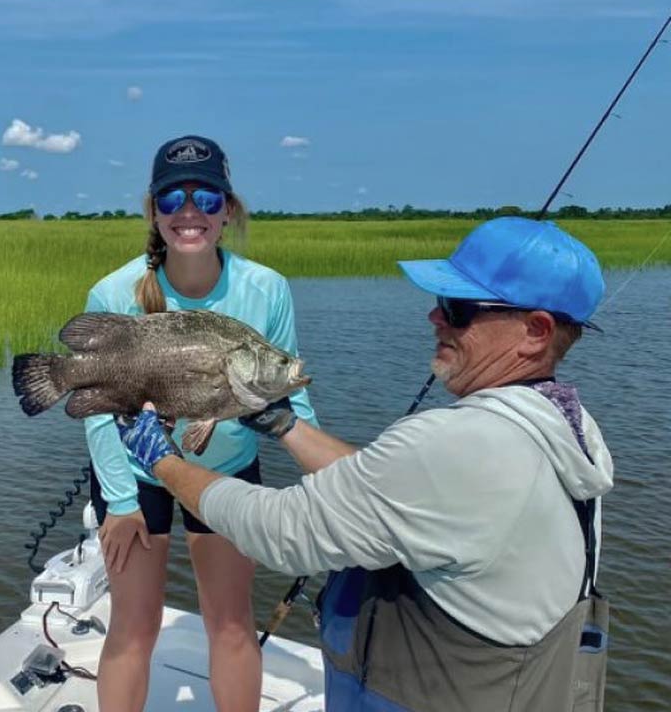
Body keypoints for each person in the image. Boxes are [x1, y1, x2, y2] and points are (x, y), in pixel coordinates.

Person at [117, 216, 614, 711]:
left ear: (535, 330)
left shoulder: (461, 444)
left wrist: (163, 462)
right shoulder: (568, 430)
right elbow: (382, 485)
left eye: (457, 308)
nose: (434, 318)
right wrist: (285, 425)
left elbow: (280, 531)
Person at [84, 134, 319, 712]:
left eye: (207, 198)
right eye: (173, 199)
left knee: (233, 624)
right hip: (137, 478)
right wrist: (119, 503)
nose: (190, 213)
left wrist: (324, 485)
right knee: (133, 629)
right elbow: (97, 409)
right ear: (153, 210)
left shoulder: (267, 289)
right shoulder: (114, 292)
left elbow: (292, 397)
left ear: (228, 209)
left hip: (229, 468)